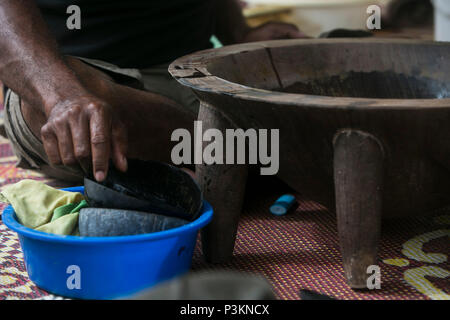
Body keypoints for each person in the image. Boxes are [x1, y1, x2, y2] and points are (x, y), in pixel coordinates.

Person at [0, 0, 305, 183]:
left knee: (318, 62)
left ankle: (237, 155)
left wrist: (240, 34)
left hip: (197, 73)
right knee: (68, 121)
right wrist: (62, 95)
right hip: (75, 78)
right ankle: (259, 153)